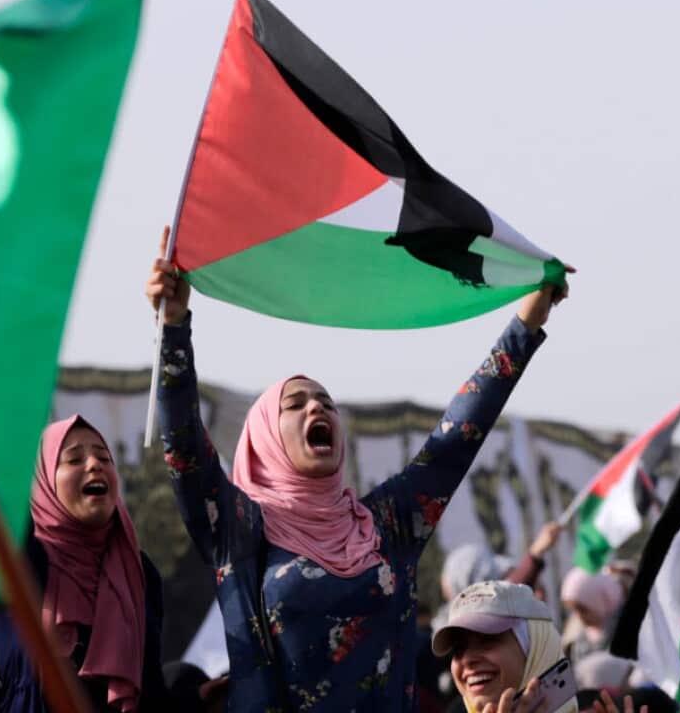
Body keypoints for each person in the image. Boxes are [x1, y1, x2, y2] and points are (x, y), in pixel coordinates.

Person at [147, 234, 568, 710]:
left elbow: (458, 436)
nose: (315, 408)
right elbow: (183, 445)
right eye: (295, 404)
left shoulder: (388, 523)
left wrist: (526, 323)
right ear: (264, 438)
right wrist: (174, 327)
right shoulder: (240, 532)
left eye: (325, 401)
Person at [0, 416, 171, 712]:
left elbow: (150, 688)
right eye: (74, 459)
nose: (94, 465)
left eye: (105, 457)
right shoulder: (24, 556)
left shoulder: (140, 570)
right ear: (43, 481)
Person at [433, 580, 651, 713]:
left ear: (537, 647)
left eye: (487, 639)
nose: (467, 660)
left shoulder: (594, 709)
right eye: (458, 649)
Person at [559, 568, 625, 659]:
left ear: (599, 601)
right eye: (574, 610)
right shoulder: (578, 636)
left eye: (583, 610)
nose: (579, 616)